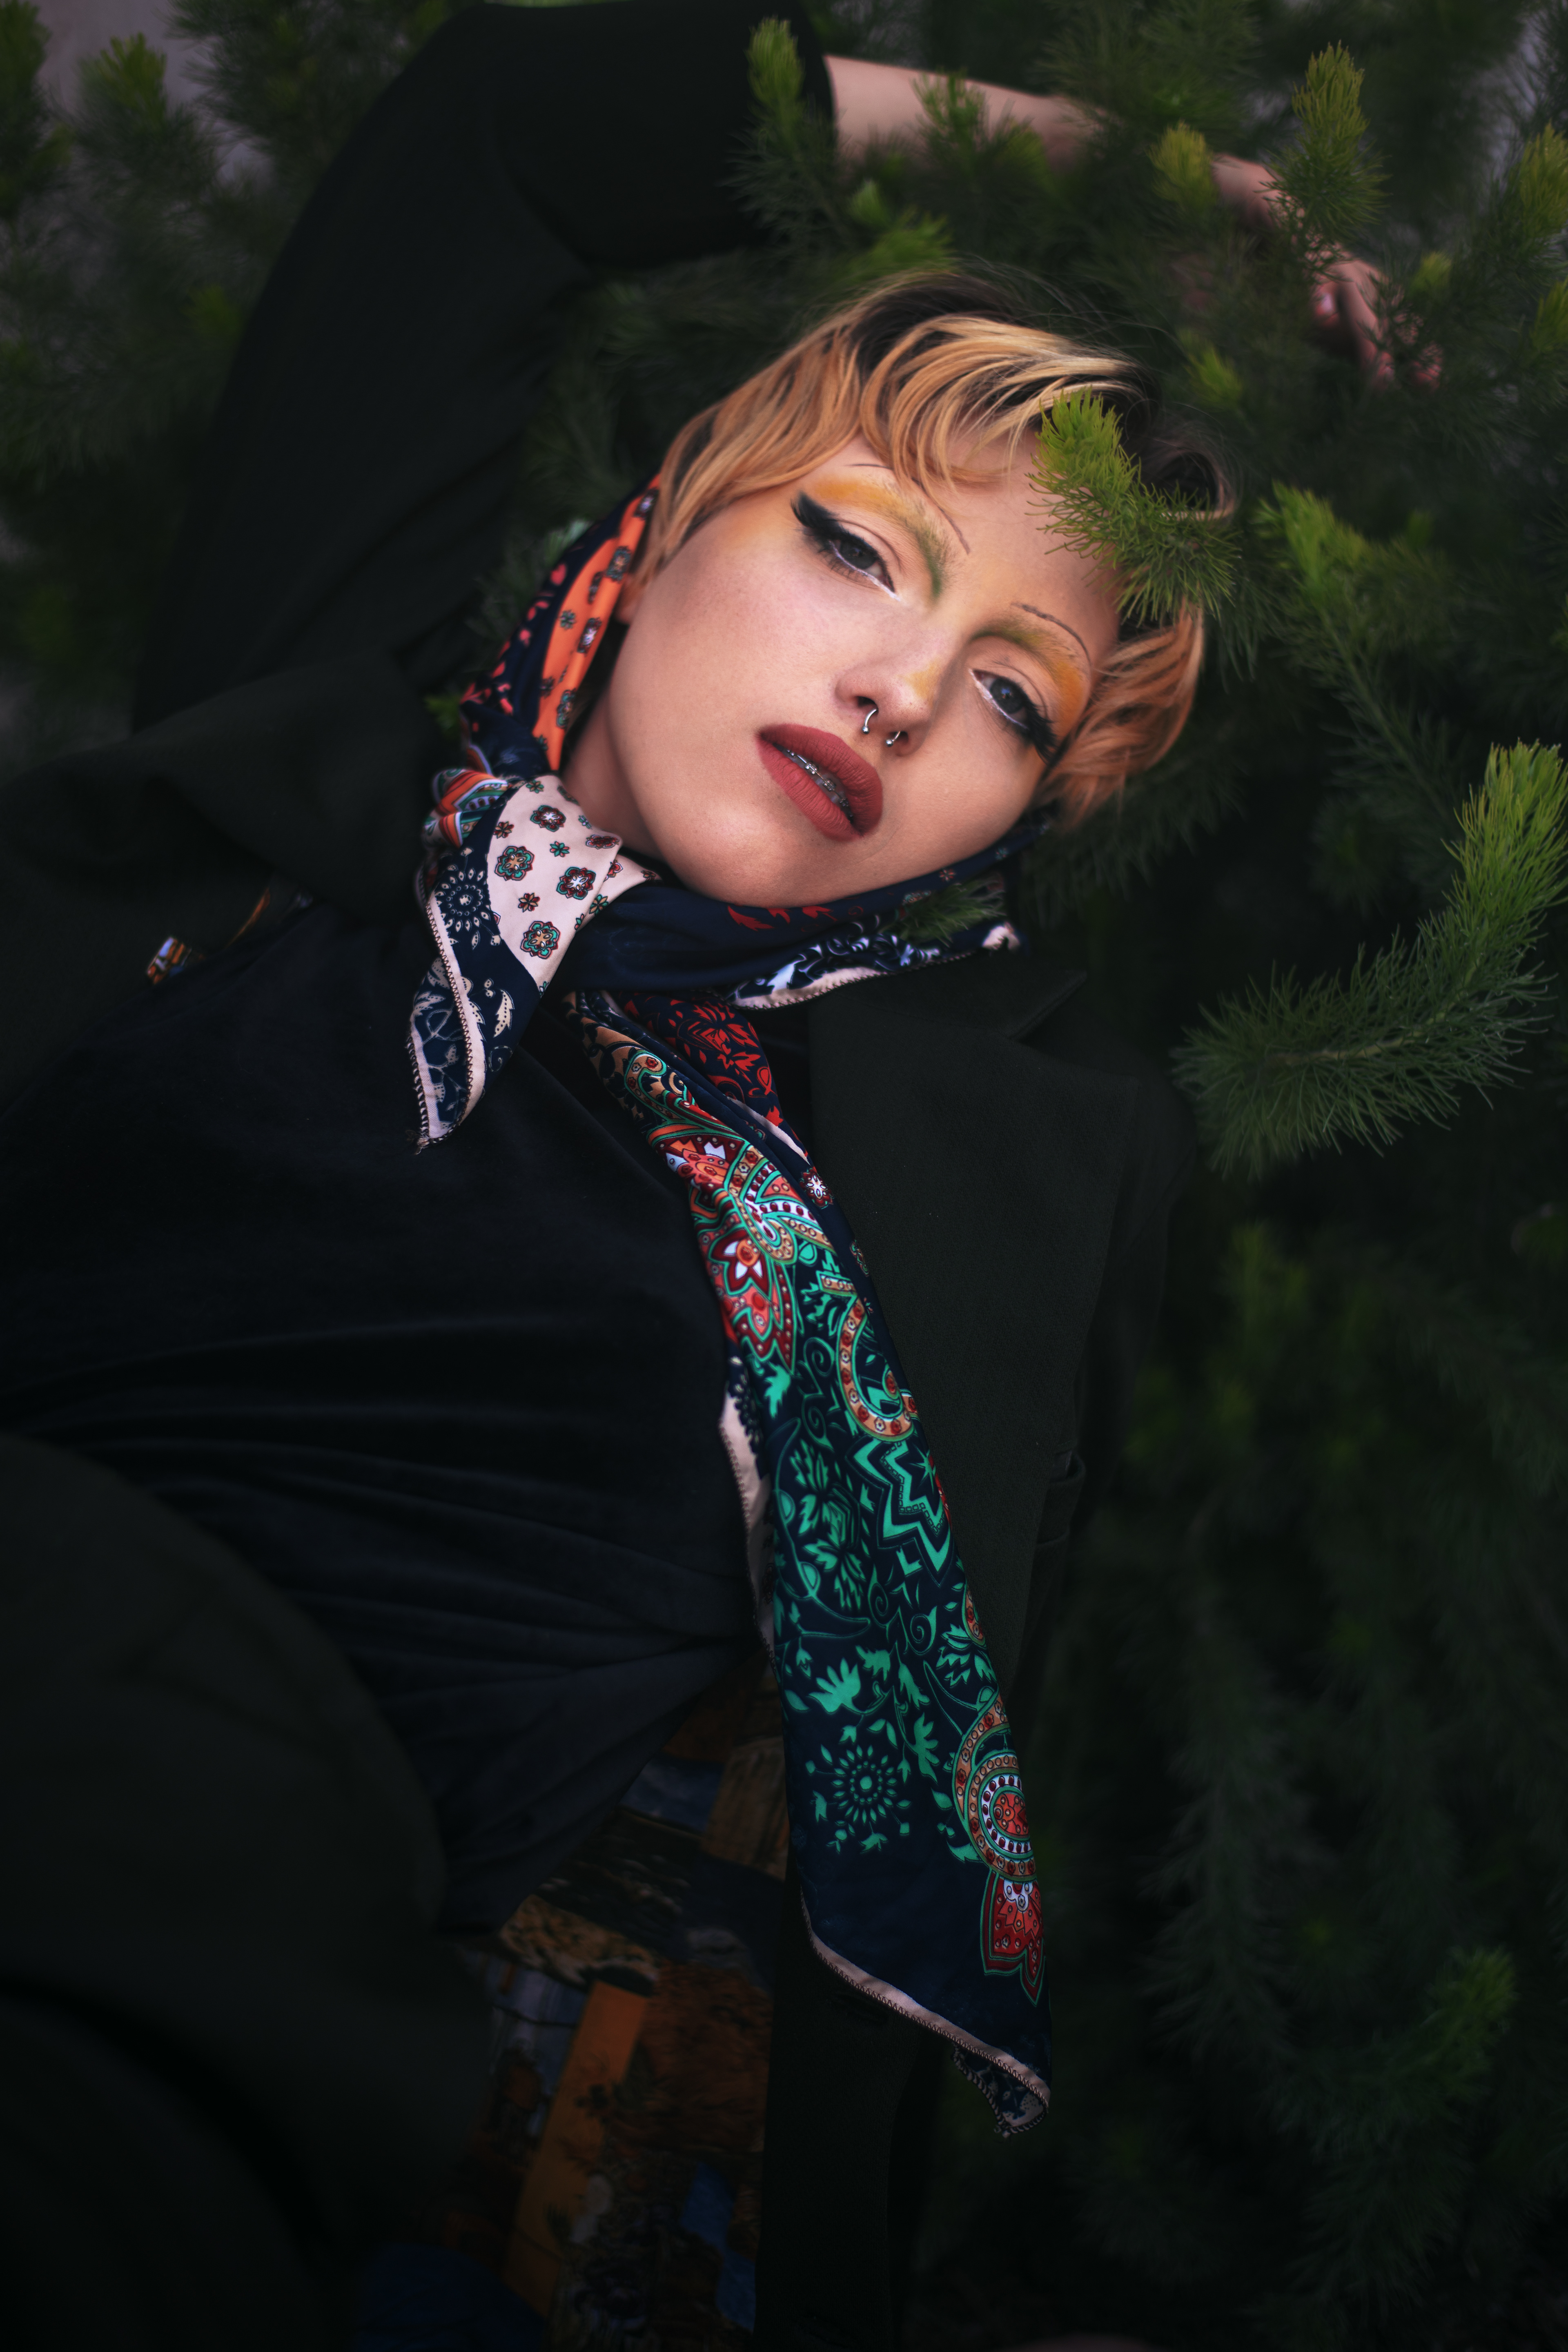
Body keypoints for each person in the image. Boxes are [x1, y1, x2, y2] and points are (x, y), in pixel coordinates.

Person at [0, 7, 1304, 2348]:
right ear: (674, 512)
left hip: (168, 2008)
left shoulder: (921, 1177)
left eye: (1014, 694)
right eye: (858, 548)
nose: (905, 689)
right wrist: (1109, 173)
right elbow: (497, 149)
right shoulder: (312, 793)